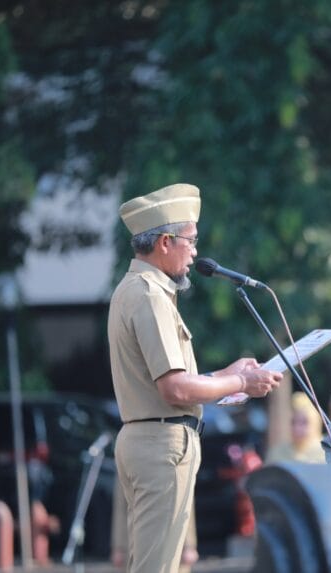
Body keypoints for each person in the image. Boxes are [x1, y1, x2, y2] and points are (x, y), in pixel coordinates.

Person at [109, 183, 283, 573]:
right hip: (161, 445)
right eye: (191, 240)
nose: (196, 252)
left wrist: (227, 373)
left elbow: (175, 380)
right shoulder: (150, 296)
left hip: (155, 440)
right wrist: (242, 384)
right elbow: (174, 388)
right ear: (166, 242)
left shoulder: (139, 290)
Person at [266, 391, 326, 464]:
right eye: (293, 422)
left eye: (304, 422)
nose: (297, 428)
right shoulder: (276, 453)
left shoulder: (329, 452)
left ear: (315, 423)